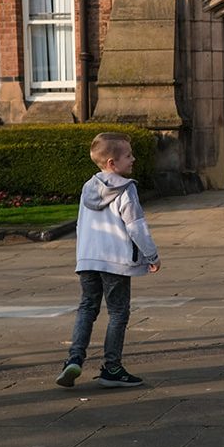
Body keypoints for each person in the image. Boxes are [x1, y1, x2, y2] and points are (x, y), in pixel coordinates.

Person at [58, 132, 160, 390]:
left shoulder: (87, 187)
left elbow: (81, 225)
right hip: (115, 261)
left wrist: (82, 255)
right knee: (118, 313)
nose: (133, 158)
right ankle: (112, 367)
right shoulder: (127, 188)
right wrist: (152, 255)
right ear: (112, 163)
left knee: (86, 309)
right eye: (128, 155)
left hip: (88, 259)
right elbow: (136, 227)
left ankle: (74, 358)